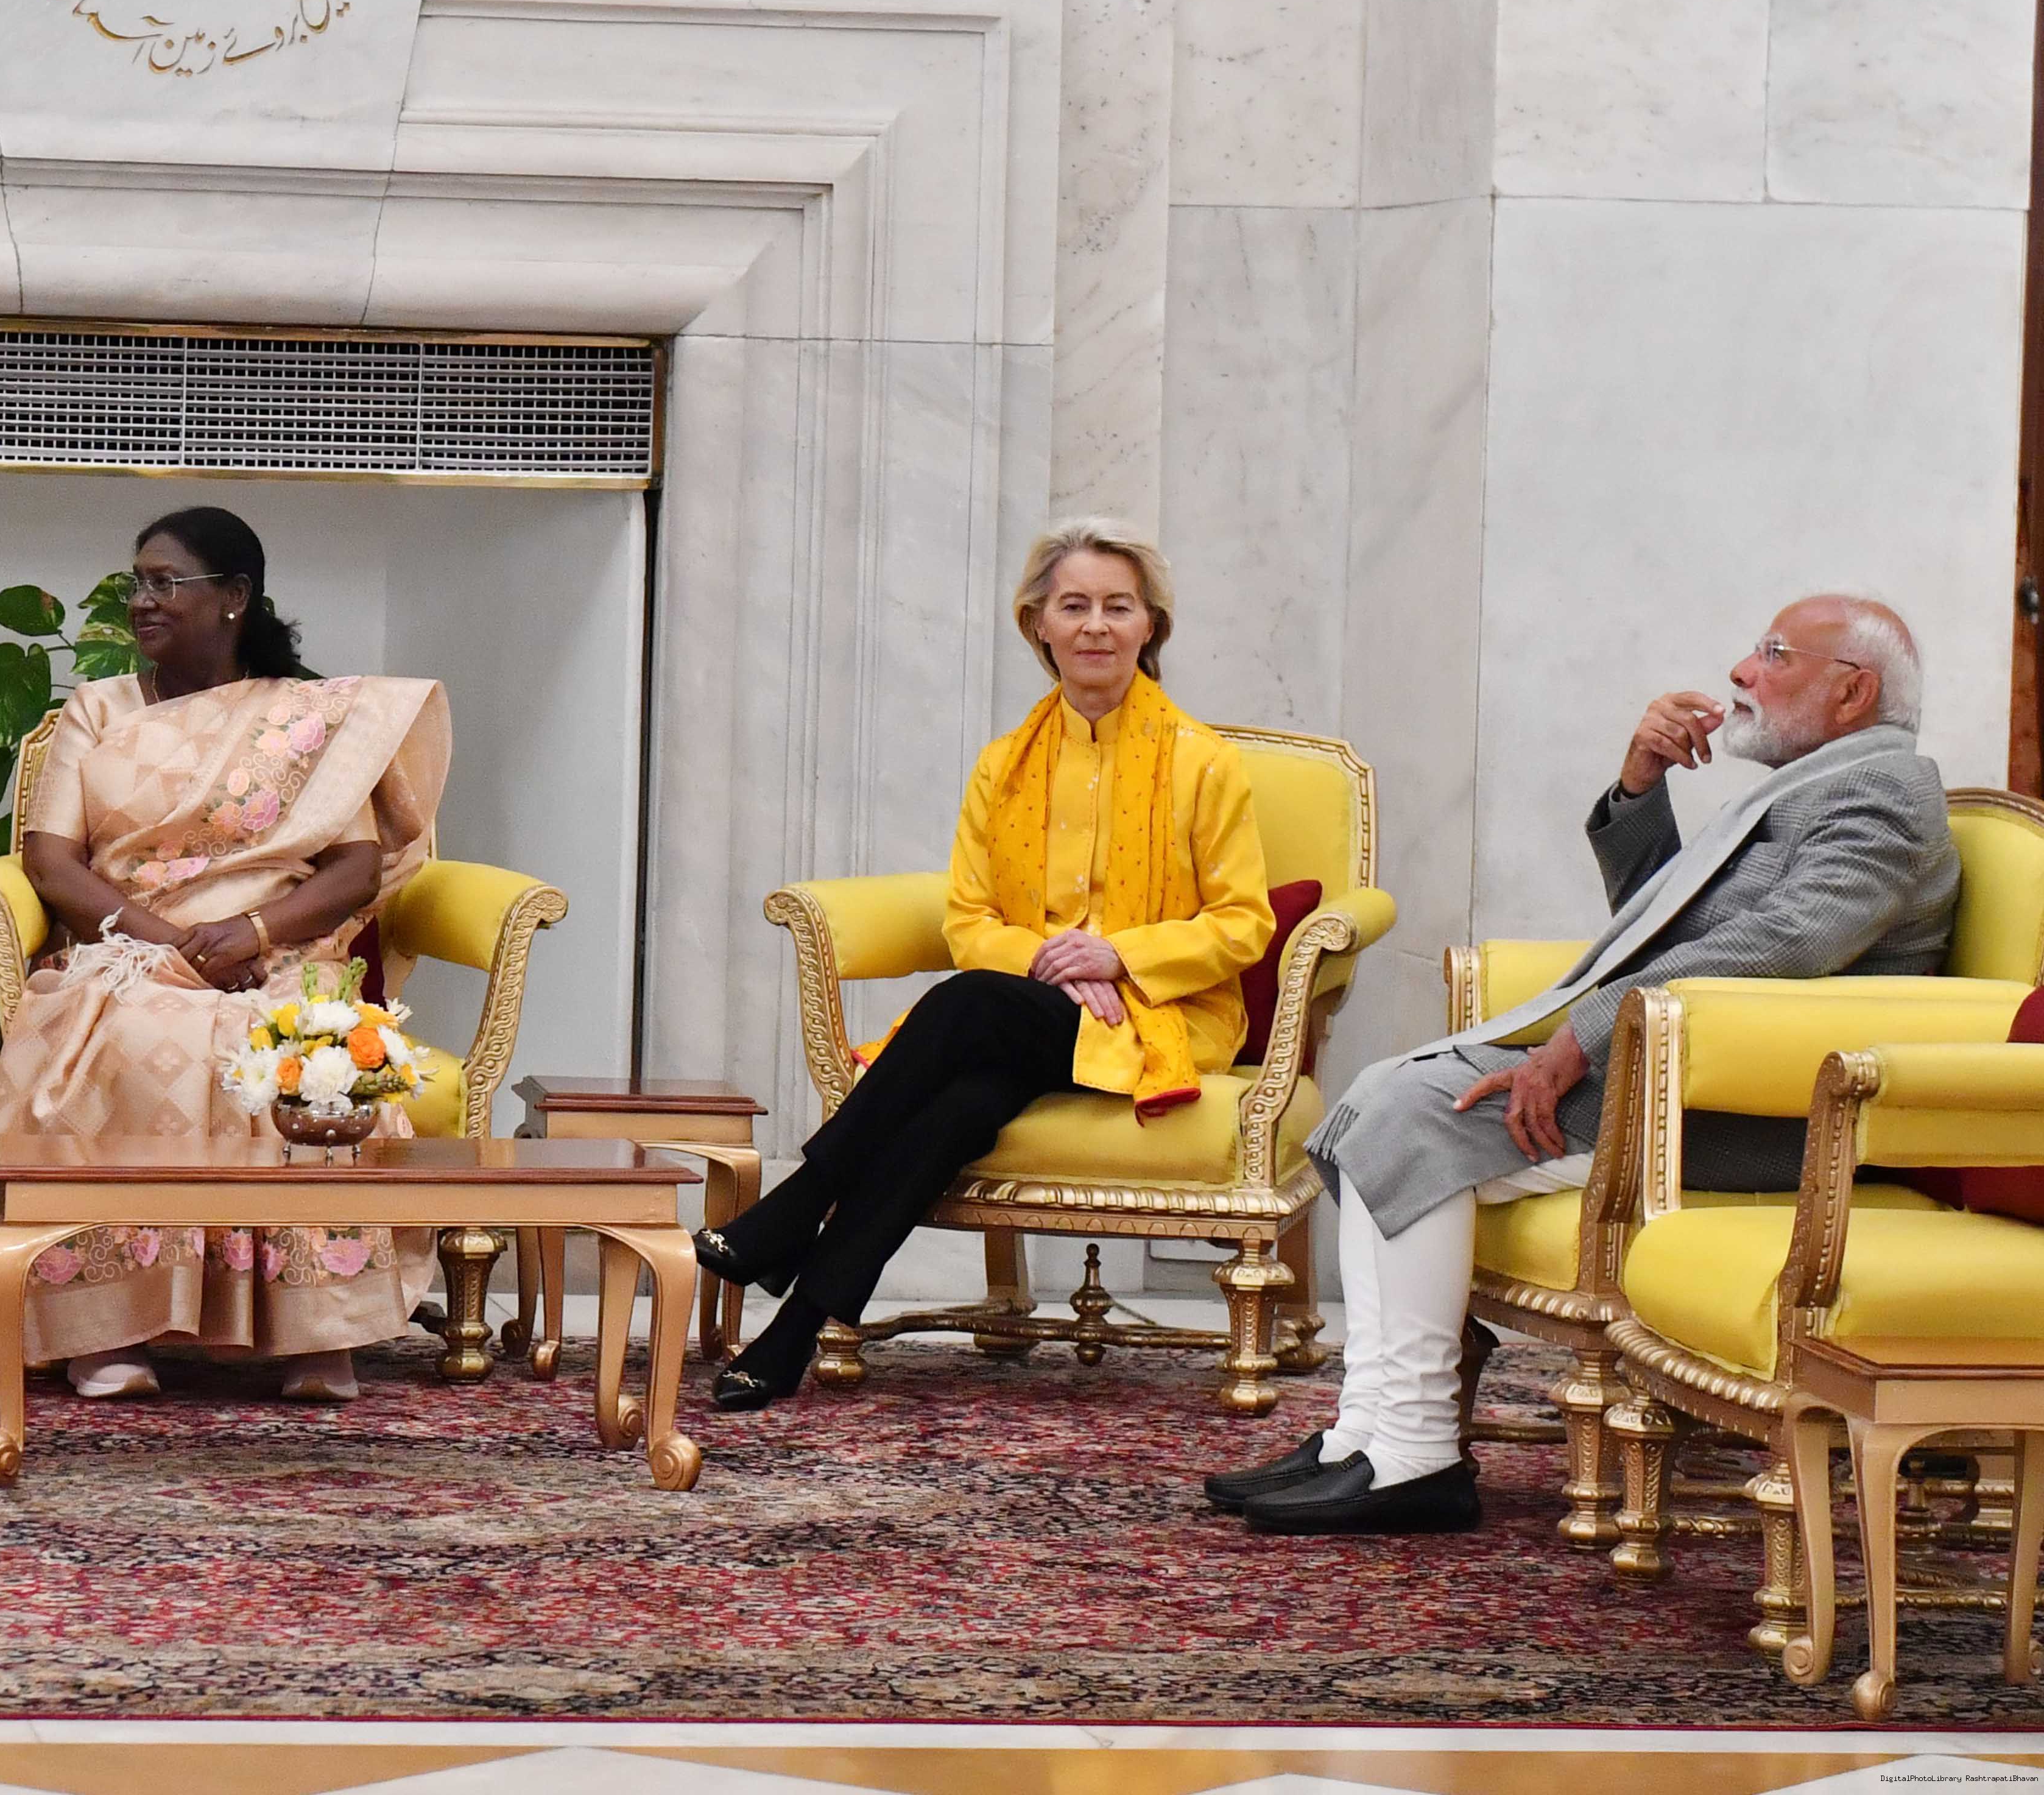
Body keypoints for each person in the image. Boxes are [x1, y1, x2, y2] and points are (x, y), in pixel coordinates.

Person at [1210, 594, 1956, 1537]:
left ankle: (1415, 1453)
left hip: (1755, 1112)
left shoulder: (1882, 799)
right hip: (1673, 1070)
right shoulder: (1817, 786)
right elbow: (1662, 928)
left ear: (1853, 692)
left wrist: (1583, 1035)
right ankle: (1366, 1433)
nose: (1741, 672)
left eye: (1774, 654)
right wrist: (1641, 789)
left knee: (1416, 1113)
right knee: (1377, 1098)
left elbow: (1787, 947)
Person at [694, 519, 1275, 1411]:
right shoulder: (1004, 766)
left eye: (1118, 607)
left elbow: (1243, 925)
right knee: (957, 1109)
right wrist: (1059, 962)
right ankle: (792, 1335)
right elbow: (969, 921)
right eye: (1073, 605)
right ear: (1037, 623)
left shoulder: (1205, 764)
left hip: (1161, 1019)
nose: (1095, 625)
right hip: (1032, 1014)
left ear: (1150, 625)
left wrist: (1118, 955)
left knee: (968, 1004)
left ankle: (798, 1203)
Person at [0, 507, 450, 1403]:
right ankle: (108, 1328)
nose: (142, 601)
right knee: (134, 1043)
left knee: (304, 1054)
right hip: (130, 948)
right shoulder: (98, 708)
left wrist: (257, 933)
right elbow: (50, 861)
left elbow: (354, 868)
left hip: (276, 950)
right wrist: (174, 946)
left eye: (166, 583)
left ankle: (315, 1331)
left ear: (235, 596)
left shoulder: (303, 723)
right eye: (137, 582)